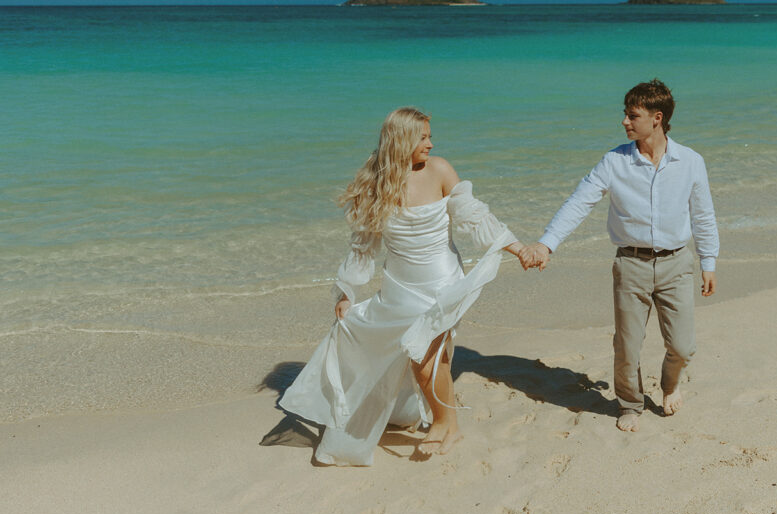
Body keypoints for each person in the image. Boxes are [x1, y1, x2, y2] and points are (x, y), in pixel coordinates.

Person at [280, 107, 534, 465]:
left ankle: (444, 424)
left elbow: (476, 217)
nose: (431, 143)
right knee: (431, 359)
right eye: (424, 137)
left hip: (443, 281)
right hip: (400, 287)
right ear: (402, 140)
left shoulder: (440, 170)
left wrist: (519, 248)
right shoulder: (375, 181)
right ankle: (449, 423)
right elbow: (364, 243)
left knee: (422, 357)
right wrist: (347, 291)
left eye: (430, 136)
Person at [521, 79, 719, 432]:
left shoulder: (690, 162)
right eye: (625, 115)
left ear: (657, 118)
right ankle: (630, 402)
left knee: (683, 346)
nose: (625, 122)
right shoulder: (614, 162)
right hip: (630, 264)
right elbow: (579, 202)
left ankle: (670, 384)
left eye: (632, 116)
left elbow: (703, 215)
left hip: (677, 263)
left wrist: (709, 261)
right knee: (628, 345)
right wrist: (546, 243)